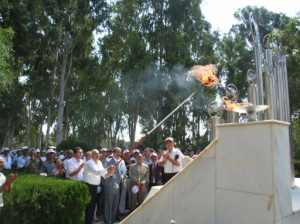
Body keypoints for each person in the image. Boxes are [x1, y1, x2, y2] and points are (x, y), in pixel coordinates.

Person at [83, 149, 115, 224]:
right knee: (89, 206)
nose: (97, 155)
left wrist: (110, 173)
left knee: (93, 206)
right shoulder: (89, 163)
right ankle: (87, 222)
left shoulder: (99, 162)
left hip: (96, 186)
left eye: (98, 154)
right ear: (92, 155)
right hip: (89, 186)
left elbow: (103, 175)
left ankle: (90, 221)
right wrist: (108, 169)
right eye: (95, 154)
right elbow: (96, 172)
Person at [102, 147, 124, 224]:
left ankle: (113, 220)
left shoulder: (121, 161)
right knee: (108, 204)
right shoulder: (107, 161)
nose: (119, 154)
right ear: (114, 153)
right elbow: (104, 174)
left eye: (120, 152)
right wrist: (110, 172)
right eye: (118, 152)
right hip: (109, 185)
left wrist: (122, 176)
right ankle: (107, 221)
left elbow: (123, 172)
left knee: (115, 204)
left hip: (117, 185)